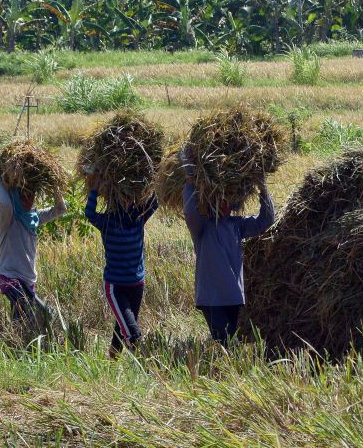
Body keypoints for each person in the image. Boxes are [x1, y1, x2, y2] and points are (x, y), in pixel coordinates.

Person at [181, 151, 275, 347]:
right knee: (223, 341)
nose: (225, 204)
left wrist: (263, 188)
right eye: (220, 200)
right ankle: (221, 374)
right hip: (211, 297)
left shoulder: (237, 225)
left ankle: (227, 374)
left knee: (230, 341)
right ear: (211, 202)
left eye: (228, 200)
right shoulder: (202, 227)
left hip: (233, 295)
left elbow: (266, 220)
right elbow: (190, 212)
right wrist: (190, 180)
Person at [85, 177, 158, 358]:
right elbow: (89, 213)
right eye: (122, 197)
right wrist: (94, 189)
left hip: (137, 283)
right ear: (114, 199)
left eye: (129, 197)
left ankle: (112, 362)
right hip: (116, 287)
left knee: (122, 325)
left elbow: (155, 202)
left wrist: (153, 179)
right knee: (131, 331)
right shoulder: (107, 222)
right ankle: (146, 367)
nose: (126, 201)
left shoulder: (139, 217)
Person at [0, 162, 66, 330]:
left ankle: (15, 347)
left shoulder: (34, 217)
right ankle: (18, 349)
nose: (27, 200)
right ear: (15, 196)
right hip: (10, 277)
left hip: (28, 280)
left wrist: (54, 185)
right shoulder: (7, 219)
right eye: (22, 196)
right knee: (29, 316)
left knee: (45, 315)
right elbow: (6, 204)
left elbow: (61, 209)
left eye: (30, 196)